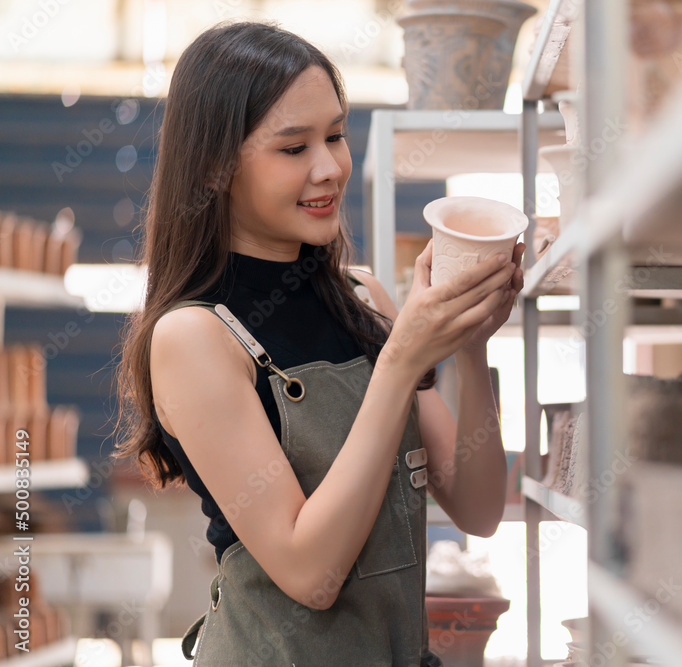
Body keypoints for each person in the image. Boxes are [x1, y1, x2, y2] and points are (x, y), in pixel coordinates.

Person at [112, 20, 524, 666]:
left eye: (334, 134)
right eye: (293, 147)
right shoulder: (194, 336)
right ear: (217, 165)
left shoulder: (361, 298)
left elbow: (477, 505)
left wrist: (470, 343)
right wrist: (403, 360)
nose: (329, 166)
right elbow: (311, 573)